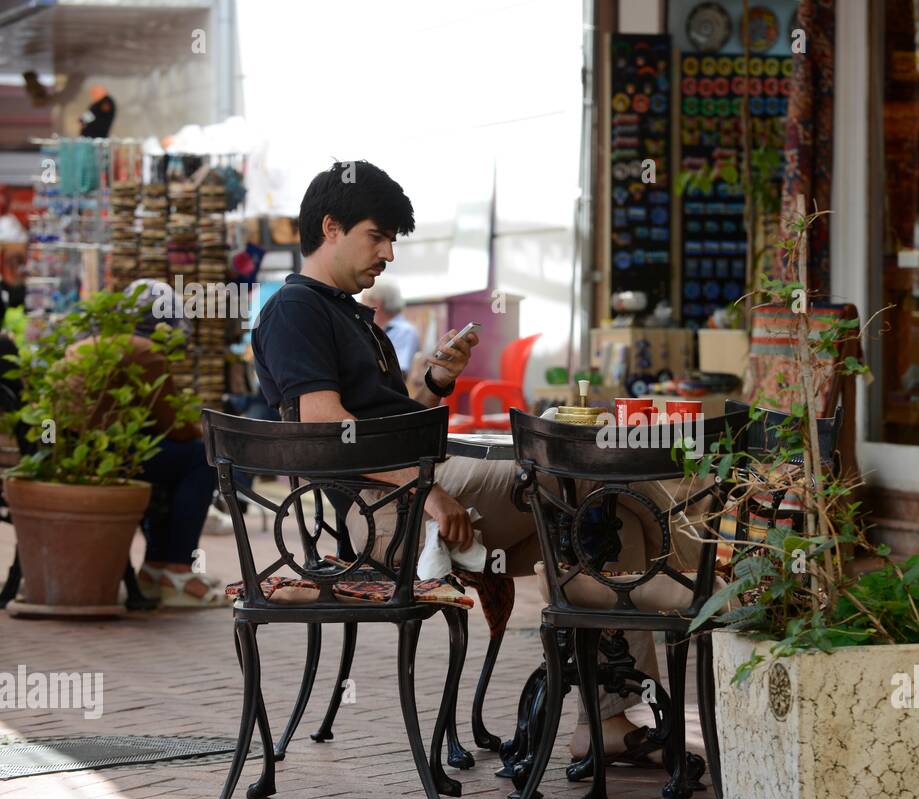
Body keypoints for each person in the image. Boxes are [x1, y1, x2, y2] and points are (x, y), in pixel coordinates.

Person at [251, 161, 665, 763]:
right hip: (387, 514)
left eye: (393, 239)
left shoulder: (345, 311)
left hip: (413, 490)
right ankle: (616, 701)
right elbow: (325, 431)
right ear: (331, 226)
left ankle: (605, 717)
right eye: (378, 235)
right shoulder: (296, 310)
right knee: (585, 488)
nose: (389, 253)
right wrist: (428, 490)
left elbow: (387, 425)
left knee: (604, 518)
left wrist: (435, 379)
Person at [76, 279, 228, 606]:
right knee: (203, 458)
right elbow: (172, 425)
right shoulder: (143, 351)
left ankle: (156, 569)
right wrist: (206, 435)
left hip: (82, 456)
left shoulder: (89, 342)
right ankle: (176, 571)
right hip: (113, 458)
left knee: (171, 461)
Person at [360, 278, 419, 374]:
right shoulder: (374, 329)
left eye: (363, 301)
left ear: (376, 303)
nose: (360, 306)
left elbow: (401, 370)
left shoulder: (405, 331)